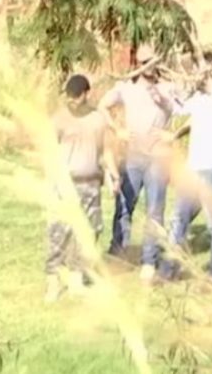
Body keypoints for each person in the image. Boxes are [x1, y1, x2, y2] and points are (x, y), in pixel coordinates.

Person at [99, 43, 183, 282]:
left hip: (157, 157)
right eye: (145, 61)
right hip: (133, 156)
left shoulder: (167, 88)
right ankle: (119, 252)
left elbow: (180, 111)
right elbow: (103, 105)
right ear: (138, 62)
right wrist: (118, 129)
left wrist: (163, 104)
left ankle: (149, 260)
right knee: (124, 205)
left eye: (152, 61)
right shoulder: (127, 88)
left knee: (155, 210)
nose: (149, 66)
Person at [160, 53, 212, 283]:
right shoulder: (200, 96)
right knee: (179, 219)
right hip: (195, 166)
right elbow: (183, 112)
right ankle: (169, 270)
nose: (192, 74)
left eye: (197, 69)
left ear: (208, 71)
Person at [46, 74, 119, 302]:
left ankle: (77, 278)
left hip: (91, 183)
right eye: (71, 97)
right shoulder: (59, 119)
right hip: (65, 184)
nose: (74, 102)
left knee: (90, 231)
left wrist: (112, 173)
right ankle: (53, 281)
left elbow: (106, 150)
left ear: (87, 94)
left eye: (78, 97)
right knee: (59, 231)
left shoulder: (98, 119)